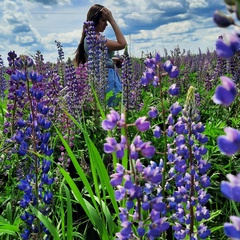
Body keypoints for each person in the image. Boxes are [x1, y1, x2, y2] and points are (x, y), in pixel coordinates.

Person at [74, 4, 127, 106]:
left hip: (101, 77)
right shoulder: (96, 38)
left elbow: (97, 59)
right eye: (104, 20)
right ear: (95, 20)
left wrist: (113, 60)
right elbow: (122, 44)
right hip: (107, 80)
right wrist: (112, 20)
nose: (106, 24)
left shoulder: (89, 38)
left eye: (107, 21)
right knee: (114, 110)